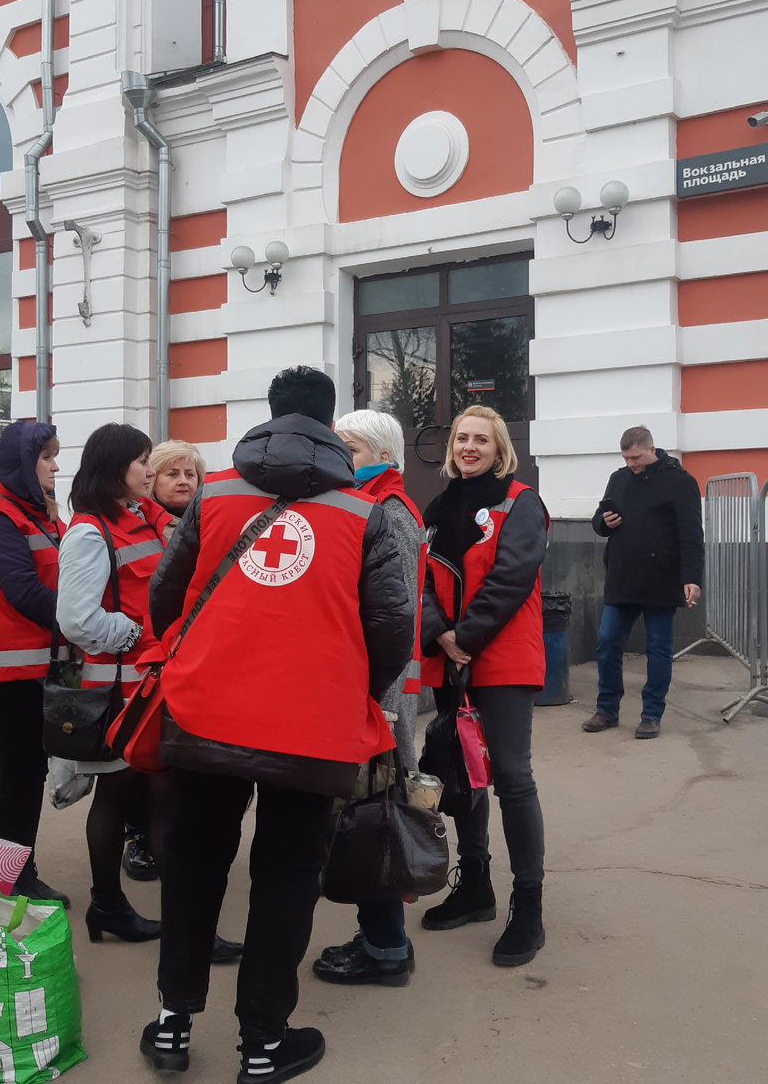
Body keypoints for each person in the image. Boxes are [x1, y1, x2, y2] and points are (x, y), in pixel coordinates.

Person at [142, 366, 414, 1081]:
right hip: (313, 724)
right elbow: (393, 630)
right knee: (287, 874)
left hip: (207, 712)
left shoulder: (217, 495)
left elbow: (164, 597)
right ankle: (263, 1042)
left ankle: (172, 1023)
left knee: (194, 860)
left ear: (269, 416)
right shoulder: (365, 511)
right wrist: (353, 690)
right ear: (331, 426)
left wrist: (198, 656)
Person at [418, 405, 548, 968]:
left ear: (499, 449)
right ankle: (475, 886)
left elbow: (512, 578)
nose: (469, 447)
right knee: (464, 773)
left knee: (512, 778)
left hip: (502, 658)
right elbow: (419, 577)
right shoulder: (437, 506)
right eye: (461, 438)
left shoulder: (521, 502)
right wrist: (440, 636)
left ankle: (529, 909)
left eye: (480, 440)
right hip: (453, 660)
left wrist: (463, 637)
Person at [312, 408, 425, 988]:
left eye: (349, 449)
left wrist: (378, 707)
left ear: (381, 454)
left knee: (374, 816)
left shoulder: (390, 514)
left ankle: (386, 950)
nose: (340, 458)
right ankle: (380, 937)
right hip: (374, 693)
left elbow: (395, 620)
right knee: (364, 812)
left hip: (382, 699)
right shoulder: (371, 507)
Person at [57, 423, 170, 943]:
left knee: (149, 791)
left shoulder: (135, 520)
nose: (150, 471)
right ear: (112, 468)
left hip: (146, 684)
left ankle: (122, 908)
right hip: (118, 689)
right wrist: (134, 634)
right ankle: (107, 904)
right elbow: (77, 620)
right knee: (116, 793)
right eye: (141, 461)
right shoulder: (88, 532)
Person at [0, 419, 69, 905]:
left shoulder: (41, 513)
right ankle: (9, 878)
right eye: (46, 456)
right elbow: (24, 592)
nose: (55, 465)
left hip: (40, 665)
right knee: (20, 773)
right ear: (23, 464)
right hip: (15, 670)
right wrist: (86, 619)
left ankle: (15, 872)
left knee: (29, 771)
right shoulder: (0, 517)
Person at [122, 438, 207, 884]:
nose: (183, 481)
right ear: (152, 479)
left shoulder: (209, 521)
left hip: (194, 658)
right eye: (173, 473)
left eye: (190, 473)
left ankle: (173, 836)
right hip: (144, 660)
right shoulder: (137, 525)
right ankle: (139, 836)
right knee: (144, 757)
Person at [583, 426, 704, 740]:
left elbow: (692, 535)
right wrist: (602, 523)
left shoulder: (680, 482)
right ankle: (606, 710)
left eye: (635, 457)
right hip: (622, 576)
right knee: (607, 642)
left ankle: (651, 714)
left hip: (662, 580)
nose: (630, 464)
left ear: (652, 450)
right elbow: (600, 517)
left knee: (658, 649)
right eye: (625, 458)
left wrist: (692, 578)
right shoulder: (618, 478)